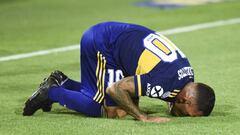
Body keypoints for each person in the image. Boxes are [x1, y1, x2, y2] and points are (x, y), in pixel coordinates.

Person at [23, 22, 215, 123]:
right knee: (113, 112)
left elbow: (151, 81)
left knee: (120, 102)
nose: (183, 116)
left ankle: (61, 81)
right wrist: (143, 117)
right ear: (186, 100)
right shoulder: (165, 83)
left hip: (117, 40)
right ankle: (52, 92)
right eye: (187, 114)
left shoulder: (186, 77)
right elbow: (115, 89)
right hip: (103, 44)